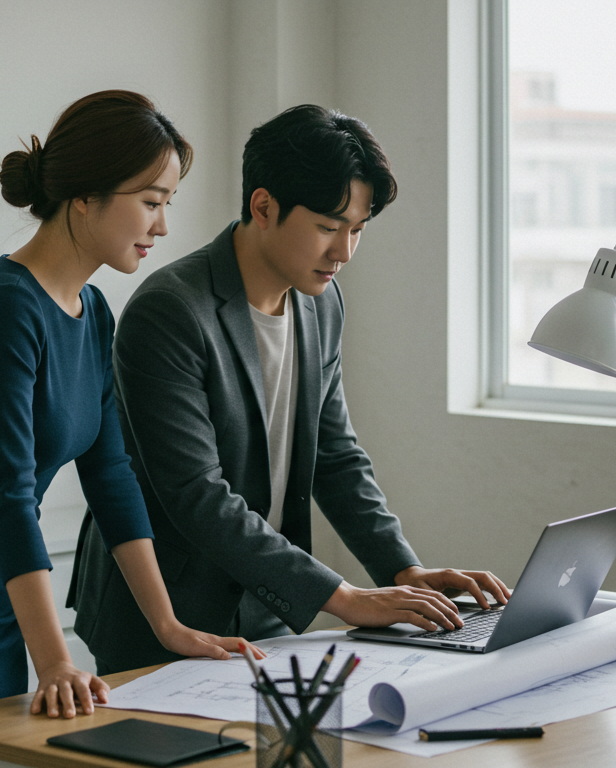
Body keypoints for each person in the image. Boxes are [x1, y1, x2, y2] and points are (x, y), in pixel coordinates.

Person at [0, 90, 253, 767]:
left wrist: (168, 625)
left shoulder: (92, 311)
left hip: (2, 607)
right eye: (150, 201)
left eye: (168, 204)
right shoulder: (5, 310)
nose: (161, 225)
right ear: (85, 198)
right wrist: (55, 658)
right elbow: (7, 495)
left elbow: (111, 474)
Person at [69, 104, 511, 675]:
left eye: (357, 231)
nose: (344, 252)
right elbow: (195, 495)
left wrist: (402, 570)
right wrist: (344, 597)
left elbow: (337, 457)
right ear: (264, 206)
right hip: (163, 616)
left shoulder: (321, 304)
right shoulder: (171, 310)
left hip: (263, 604)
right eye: (328, 227)